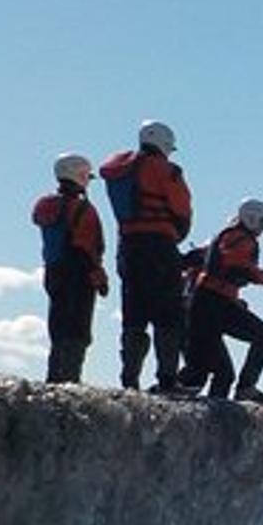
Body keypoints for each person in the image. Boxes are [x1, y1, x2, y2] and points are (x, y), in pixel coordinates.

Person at [98, 120, 193, 392]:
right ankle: (167, 380)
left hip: (128, 247)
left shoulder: (120, 170)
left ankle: (130, 380)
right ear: (165, 143)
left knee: (134, 315)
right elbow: (182, 211)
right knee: (168, 315)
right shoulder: (168, 170)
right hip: (160, 246)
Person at [179, 198, 263, 401]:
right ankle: (245, 388)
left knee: (219, 373)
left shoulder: (231, 237)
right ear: (251, 217)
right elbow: (242, 268)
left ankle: (218, 411)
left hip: (213, 303)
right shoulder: (240, 239)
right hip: (211, 304)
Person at [31, 152, 107, 384]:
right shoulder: (83, 209)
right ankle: (70, 380)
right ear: (80, 175)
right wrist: (99, 277)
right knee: (78, 330)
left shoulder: (46, 205)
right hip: (79, 275)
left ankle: (54, 377)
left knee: (59, 326)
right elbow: (87, 247)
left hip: (53, 272)